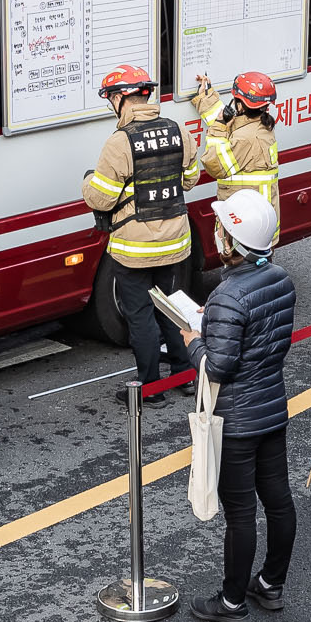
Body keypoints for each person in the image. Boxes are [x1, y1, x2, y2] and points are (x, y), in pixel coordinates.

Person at [180, 190, 296, 622]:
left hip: (237, 419)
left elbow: (220, 366)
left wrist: (193, 342)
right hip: (271, 407)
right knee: (279, 499)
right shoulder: (280, 279)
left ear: (233, 241)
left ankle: (231, 603)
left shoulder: (230, 294)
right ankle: (270, 584)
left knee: (241, 513)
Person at [83, 64, 201, 390]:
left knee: (140, 315)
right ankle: (184, 375)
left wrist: (88, 183)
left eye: (111, 98)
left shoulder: (120, 142)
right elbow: (190, 179)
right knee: (172, 309)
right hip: (175, 243)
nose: (111, 105)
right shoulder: (178, 130)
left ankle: (149, 386)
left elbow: (102, 200)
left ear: (122, 97)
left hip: (134, 249)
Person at [189, 69, 280, 209]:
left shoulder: (245, 138)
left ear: (240, 105)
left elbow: (214, 165)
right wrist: (205, 95)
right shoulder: (260, 125)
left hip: (244, 219)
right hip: (255, 216)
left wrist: (219, 126)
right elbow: (233, 125)